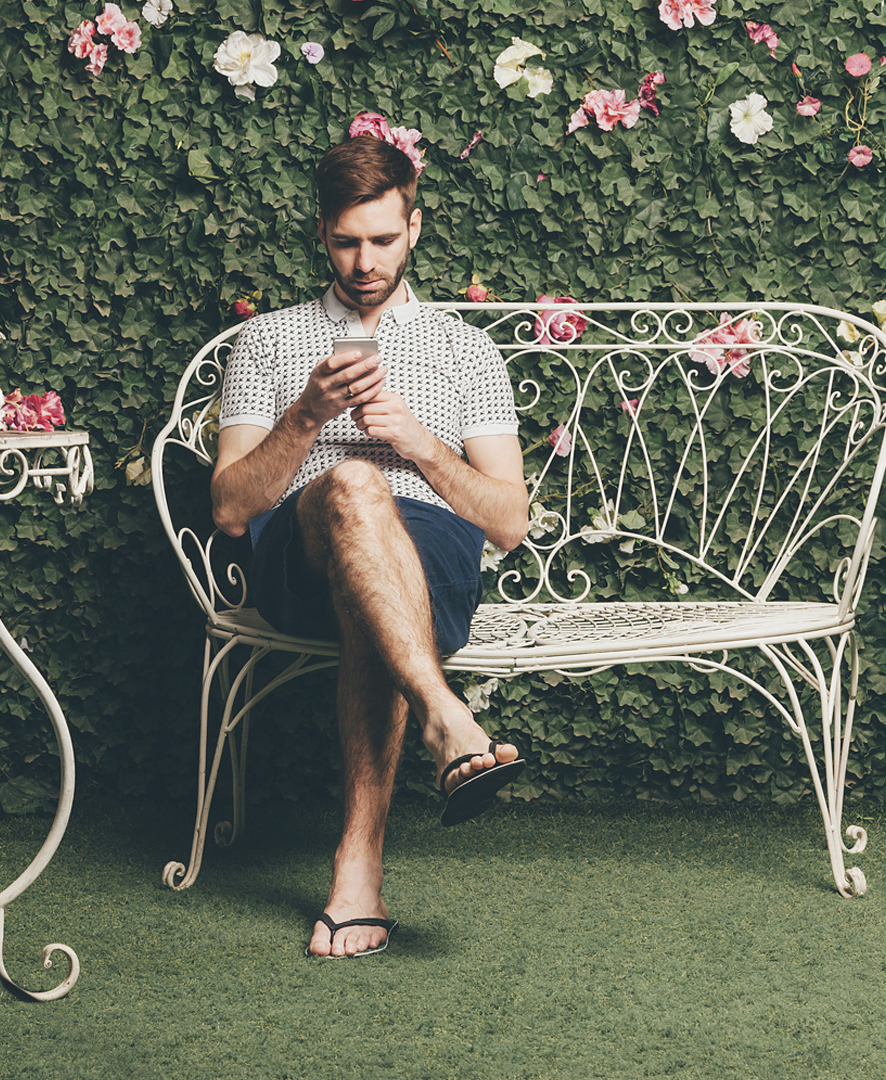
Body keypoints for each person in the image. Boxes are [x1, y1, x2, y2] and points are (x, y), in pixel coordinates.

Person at [210, 136, 528, 958]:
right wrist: (305, 418)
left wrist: (422, 446)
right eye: (347, 241)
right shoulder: (271, 343)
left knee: (377, 572)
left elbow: (508, 521)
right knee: (352, 484)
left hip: (428, 561)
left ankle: (358, 879)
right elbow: (232, 508)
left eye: (383, 240)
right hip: (298, 552)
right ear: (322, 234)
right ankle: (446, 720)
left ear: (414, 229)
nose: (364, 261)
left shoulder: (465, 349)